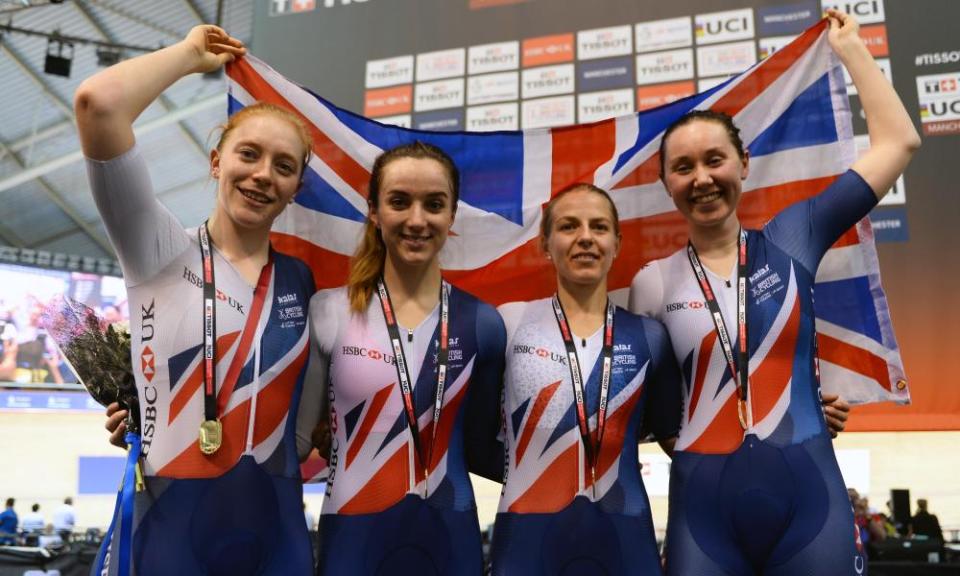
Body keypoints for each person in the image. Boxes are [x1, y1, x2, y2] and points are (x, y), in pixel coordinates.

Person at [629, 10, 920, 576]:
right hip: (702, 511)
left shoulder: (793, 236)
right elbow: (657, 410)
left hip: (809, 497)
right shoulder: (651, 283)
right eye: (683, 168)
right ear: (667, 185)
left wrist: (851, 50)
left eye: (715, 160)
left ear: (744, 163)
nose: (701, 178)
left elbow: (899, 143)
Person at [76, 25, 316, 575]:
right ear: (215, 162)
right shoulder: (158, 250)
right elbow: (98, 106)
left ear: (297, 188)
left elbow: (301, 438)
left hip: (273, 535)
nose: (262, 176)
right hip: (169, 529)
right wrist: (188, 56)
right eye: (248, 155)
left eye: (284, 167)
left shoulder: (304, 281)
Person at [303, 141, 505, 576]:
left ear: (452, 216)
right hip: (353, 543)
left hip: (450, 541)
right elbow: (295, 441)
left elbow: (485, 450)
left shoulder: (483, 323)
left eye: (434, 204)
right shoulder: (328, 310)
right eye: (399, 202)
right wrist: (147, 419)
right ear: (374, 211)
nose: (417, 220)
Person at [491, 183, 681, 575]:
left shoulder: (650, 336)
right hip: (528, 539)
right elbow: (469, 435)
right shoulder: (509, 323)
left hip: (625, 538)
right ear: (545, 243)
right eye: (568, 227)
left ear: (617, 243)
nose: (585, 238)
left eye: (598, 227)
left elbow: (676, 437)